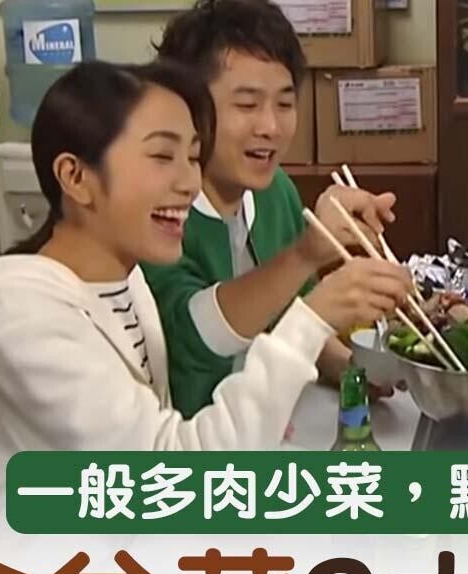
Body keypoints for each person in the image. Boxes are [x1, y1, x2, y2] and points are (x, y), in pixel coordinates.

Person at [0, 61, 411, 521]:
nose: (189, 182)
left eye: (192, 157)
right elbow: (174, 478)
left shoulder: (126, 280)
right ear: (76, 177)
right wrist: (310, 320)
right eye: (161, 156)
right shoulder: (21, 326)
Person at [145, 0, 397, 417]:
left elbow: (291, 314)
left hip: (278, 416)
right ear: (186, 109)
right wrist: (306, 253)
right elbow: (194, 337)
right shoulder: (157, 212)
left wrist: (349, 368)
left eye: (284, 103)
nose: (271, 127)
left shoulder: (275, 190)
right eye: (247, 105)